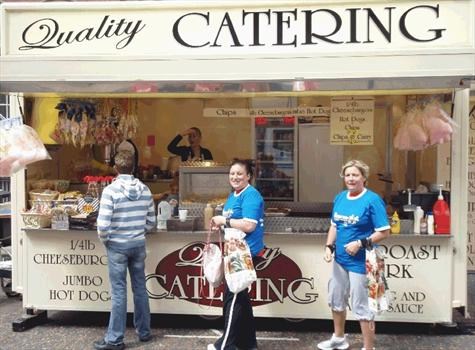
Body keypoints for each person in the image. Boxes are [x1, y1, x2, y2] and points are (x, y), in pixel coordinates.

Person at [318, 160, 390, 350]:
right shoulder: (340, 198)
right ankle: (339, 338)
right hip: (340, 259)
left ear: (364, 178)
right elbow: (335, 225)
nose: (351, 178)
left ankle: (368, 347)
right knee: (336, 298)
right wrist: (328, 246)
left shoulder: (372, 200)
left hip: (361, 262)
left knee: (362, 305)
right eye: (348, 175)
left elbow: (384, 231)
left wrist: (360, 243)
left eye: (355, 175)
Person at [94, 150, 156, 350]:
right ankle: (144, 332)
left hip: (117, 247)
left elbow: (103, 225)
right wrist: (137, 232)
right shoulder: (145, 190)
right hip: (138, 245)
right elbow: (151, 223)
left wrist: (106, 241)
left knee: (119, 292)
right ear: (134, 167)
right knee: (140, 288)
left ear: (115, 168)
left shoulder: (111, 191)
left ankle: (115, 339)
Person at [208, 158, 265, 350]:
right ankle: (248, 344)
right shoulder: (233, 195)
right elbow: (233, 222)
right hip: (235, 252)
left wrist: (224, 220)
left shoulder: (251, 196)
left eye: (240, 173)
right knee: (240, 297)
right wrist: (221, 224)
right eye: (232, 173)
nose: (235, 177)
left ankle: (225, 345)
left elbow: (249, 225)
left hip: (246, 253)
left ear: (248, 176)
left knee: (232, 297)